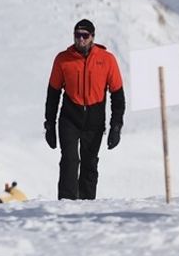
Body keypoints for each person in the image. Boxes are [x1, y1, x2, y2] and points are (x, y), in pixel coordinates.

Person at [44, 18, 125, 200]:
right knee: (69, 161)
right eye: (77, 35)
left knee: (90, 163)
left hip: (94, 120)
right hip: (70, 118)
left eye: (85, 36)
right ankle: (66, 203)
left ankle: (87, 204)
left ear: (92, 37)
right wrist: (49, 124)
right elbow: (53, 94)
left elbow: (118, 96)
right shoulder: (63, 60)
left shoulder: (107, 60)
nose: (80, 39)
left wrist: (116, 126)